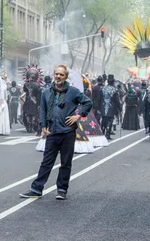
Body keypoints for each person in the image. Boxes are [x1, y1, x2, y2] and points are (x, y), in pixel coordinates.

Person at [20, 65, 92, 200]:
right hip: (52, 132)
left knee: (65, 162)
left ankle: (62, 189)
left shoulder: (73, 92)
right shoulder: (46, 92)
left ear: (65, 77)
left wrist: (78, 115)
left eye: (61, 74)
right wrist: (43, 125)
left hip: (67, 133)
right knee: (46, 162)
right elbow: (43, 110)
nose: (58, 76)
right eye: (56, 74)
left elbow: (87, 103)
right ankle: (36, 188)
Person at [99, 74, 121, 140]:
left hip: (103, 106)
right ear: (113, 81)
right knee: (110, 120)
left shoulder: (103, 88)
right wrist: (120, 107)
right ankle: (107, 134)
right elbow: (117, 100)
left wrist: (99, 107)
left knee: (103, 120)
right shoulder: (114, 90)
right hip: (111, 107)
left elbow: (100, 98)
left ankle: (102, 132)